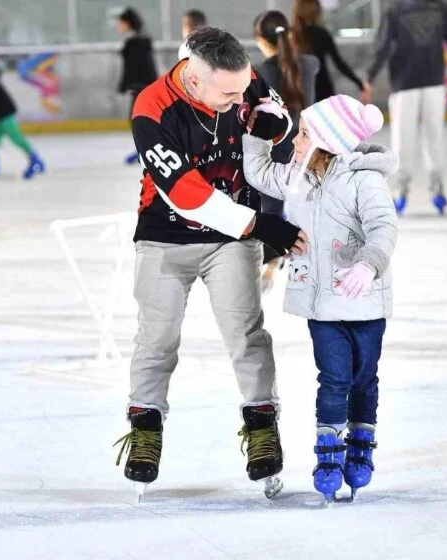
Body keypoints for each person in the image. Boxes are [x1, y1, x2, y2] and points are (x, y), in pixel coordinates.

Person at [113, 27, 308, 499]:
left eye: (243, 89)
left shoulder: (239, 78)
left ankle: (262, 425)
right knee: (157, 338)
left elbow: (280, 118)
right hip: (165, 239)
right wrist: (262, 225)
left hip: (230, 243)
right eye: (229, 94)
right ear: (195, 81)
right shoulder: (152, 108)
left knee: (246, 334)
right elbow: (185, 194)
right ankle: (145, 428)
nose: (240, 98)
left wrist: (272, 124)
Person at [242, 95, 398, 503]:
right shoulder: (297, 177)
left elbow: (383, 227)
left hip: (365, 304)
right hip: (322, 306)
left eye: (304, 134)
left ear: (328, 141)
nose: (295, 140)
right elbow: (257, 171)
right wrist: (259, 130)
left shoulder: (365, 180)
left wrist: (368, 265)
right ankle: (328, 453)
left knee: (364, 378)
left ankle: (361, 444)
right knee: (332, 379)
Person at [364, 0, 447, 216]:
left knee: (411, 137)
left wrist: (369, 77)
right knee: (423, 137)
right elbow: (383, 45)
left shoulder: (435, 8)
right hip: (415, 83)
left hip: (418, 83)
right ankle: (407, 186)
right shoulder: (400, 9)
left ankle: (424, 185)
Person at [253, 9, 319, 292]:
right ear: (289, 35)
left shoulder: (260, 73)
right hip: (310, 151)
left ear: (260, 39)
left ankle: (272, 258)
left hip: (277, 153)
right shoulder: (310, 64)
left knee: (269, 209)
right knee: (306, 210)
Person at [291, 0, 365, 102]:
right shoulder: (321, 34)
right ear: (316, 11)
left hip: (299, 92)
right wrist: (360, 84)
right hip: (323, 91)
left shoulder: (291, 35)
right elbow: (339, 64)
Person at [115, 7, 158, 164]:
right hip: (142, 86)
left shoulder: (136, 42)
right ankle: (143, 150)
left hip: (142, 86)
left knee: (138, 120)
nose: (117, 26)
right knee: (137, 120)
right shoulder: (136, 41)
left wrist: (127, 85)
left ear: (127, 23)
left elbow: (137, 68)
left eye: (119, 23)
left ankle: (145, 151)